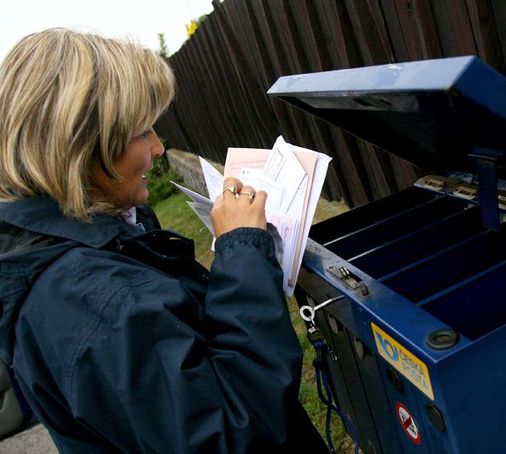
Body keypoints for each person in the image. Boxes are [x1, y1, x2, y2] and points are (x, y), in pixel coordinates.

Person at [0, 28, 329, 453]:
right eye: (142, 133)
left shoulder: (90, 238)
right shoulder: (96, 305)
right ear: (80, 149)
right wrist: (243, 250)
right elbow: (236, 430)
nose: (157, 148)